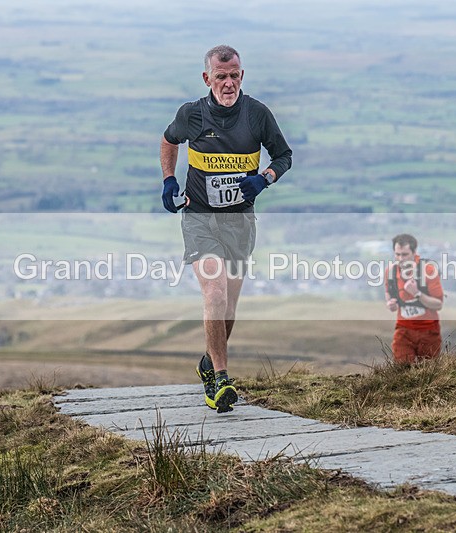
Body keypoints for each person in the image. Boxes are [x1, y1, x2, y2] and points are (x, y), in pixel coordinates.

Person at [160, 45, 292, 412]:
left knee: (229, 306)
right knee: (215, 294)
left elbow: (284, 156)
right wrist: (169, 181)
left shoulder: (257, 115)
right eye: (221, 76)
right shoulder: (192, 115)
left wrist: (264, 178)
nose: (229, 83)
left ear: (242, 76)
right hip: (200, 217)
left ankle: (208, 362)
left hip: (240, 220)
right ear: (208, 79)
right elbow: (169, 140)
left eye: (234, 75)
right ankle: (220, 379)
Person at [384, 234, 444, 364]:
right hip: (403, 330)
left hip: (428, 330)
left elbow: (438, 304)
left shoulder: (428, 271)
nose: (400, 259)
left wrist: (417, 293)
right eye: (397, 254)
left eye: (405, 254)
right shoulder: (390, 272)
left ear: (414, 252)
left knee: (429, 373)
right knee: (402, 371)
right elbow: (388, 294)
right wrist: (390, 304)